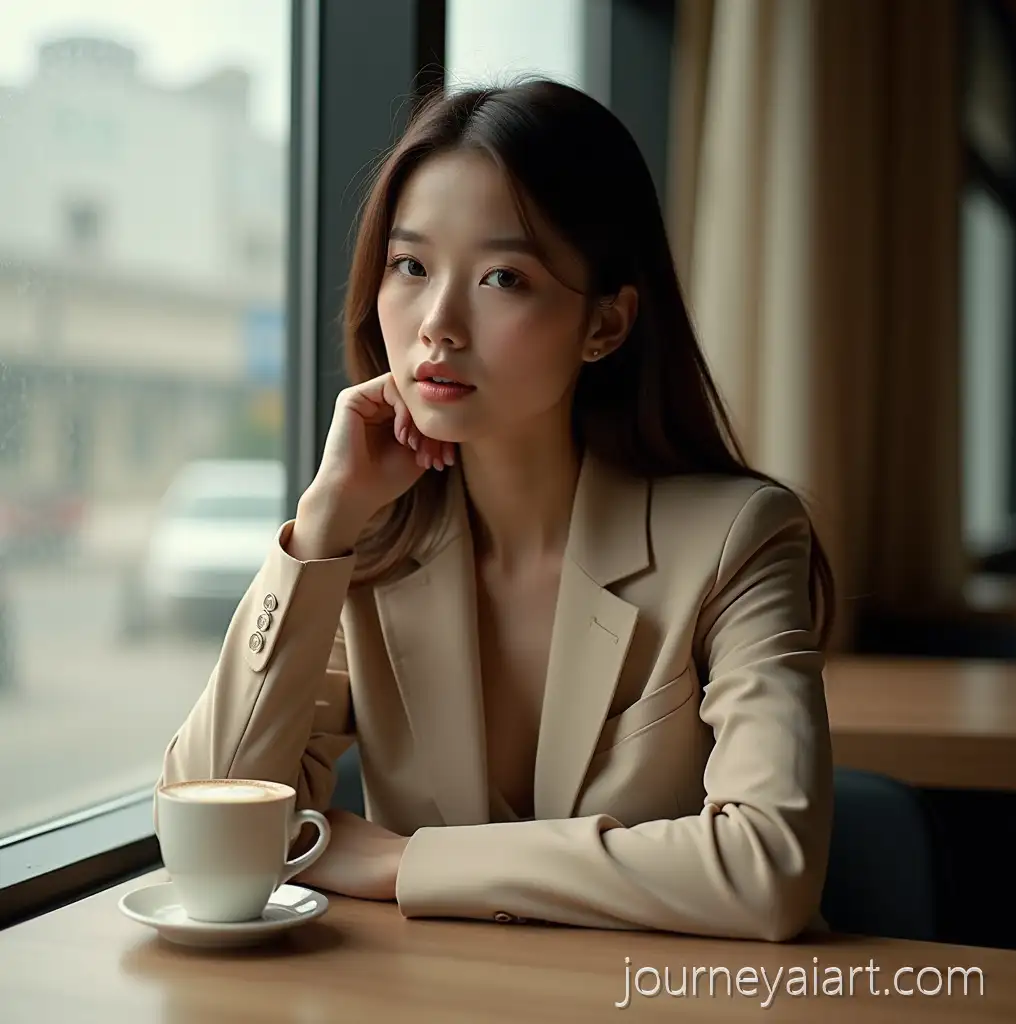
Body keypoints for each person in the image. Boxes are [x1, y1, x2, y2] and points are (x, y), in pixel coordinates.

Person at [158, 77, 835, 941]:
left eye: (503, 278)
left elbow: (768, 870)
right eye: (411, 266)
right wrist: (321, 526)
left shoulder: (738, 540)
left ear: (606, 324)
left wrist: (409, 862)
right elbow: (213, 842)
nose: (437, 323)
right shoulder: (365, 550)